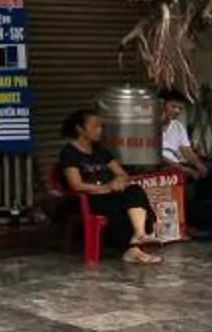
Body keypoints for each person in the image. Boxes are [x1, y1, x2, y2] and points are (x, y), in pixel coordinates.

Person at [55, 107, 158, 263]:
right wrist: (106, 187)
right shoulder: (69, 153)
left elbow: (122, 174)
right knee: (120, 207)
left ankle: (139, 235)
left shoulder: (100, 151)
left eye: (101, 126)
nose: (100, 130)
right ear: (80, 129)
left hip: (108, 194)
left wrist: (118, 181)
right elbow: (76, 185)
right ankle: (131, 249)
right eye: (95, 126)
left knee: (135, 191)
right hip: (87, 199)